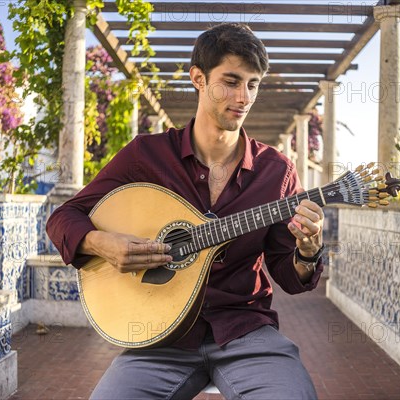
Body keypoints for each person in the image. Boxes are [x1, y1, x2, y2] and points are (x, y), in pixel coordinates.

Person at [46, 22, 325, 400]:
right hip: (160, 338)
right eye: (230, 81)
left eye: (253, 84)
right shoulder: (147, 155)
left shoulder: (276, 172)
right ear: (198, 78)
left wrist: (308, 251)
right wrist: (102, 244)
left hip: (245, 331)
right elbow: (64, 217)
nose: (243, 97)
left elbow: (289, 276)